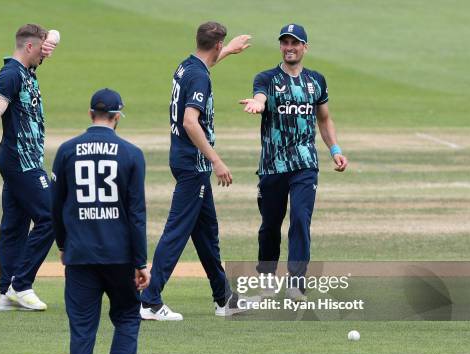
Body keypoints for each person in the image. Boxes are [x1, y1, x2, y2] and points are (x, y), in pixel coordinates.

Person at [139, 22, 251, 321]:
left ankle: (224, 298)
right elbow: (191, 122)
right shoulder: (200, 76)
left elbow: (205, 64)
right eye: (222, 46)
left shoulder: (186, 66)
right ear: (215, 45)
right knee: (176, 233)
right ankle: (149, 301)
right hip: (194, 164)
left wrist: (229, 50)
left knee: (206, 235)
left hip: (185, 160)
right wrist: (216, 160)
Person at [51, 89, 150, 354]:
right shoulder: (132, 154)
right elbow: (136, 214)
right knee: (126, 317)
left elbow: (56, 207)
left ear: (90, 113)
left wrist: (63, 245)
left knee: (82, 328)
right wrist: (141, 261)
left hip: (79, 255)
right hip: (119, 255)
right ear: (118, 116)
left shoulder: (66, 151)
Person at [239, 24, 348, 301]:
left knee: (300, 220)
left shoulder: (316, 81)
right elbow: (261, 96)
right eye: (285, 43)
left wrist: (334, 148)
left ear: (305, 47)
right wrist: (258, 104)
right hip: (273, 165)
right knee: (270, 225)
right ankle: (266, 282)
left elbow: (324, 118)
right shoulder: (266, 78)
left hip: (305, 164)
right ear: (280, 47)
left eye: (295, 43)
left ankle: (296, 283)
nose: (289, 47)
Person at [0, 24, 58, 311]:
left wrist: (49, 40)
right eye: (41, 49)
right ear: (29, 47)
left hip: (25, 158)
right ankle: (21, 284)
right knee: (50, 217)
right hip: (21, 159)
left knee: (14, 225)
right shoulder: (10, 74)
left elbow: (53, 35)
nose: (45, 55)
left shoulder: (26, 69)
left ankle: (4, 294)